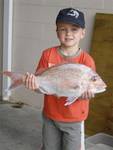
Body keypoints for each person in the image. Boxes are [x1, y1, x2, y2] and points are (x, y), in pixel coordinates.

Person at [23, 8, 96, 150]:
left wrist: (87, 94)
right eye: (63, 29)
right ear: (56, 31)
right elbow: (40, 88)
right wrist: (33, 85)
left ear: (83, 33)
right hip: (50, 116)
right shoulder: (47, 54)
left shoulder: (87, 61)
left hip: (74, 120)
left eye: (74, 29)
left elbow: (89, 87)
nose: (68, 33)